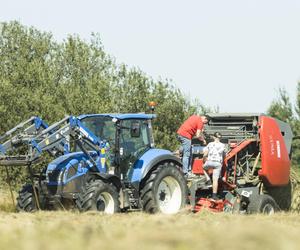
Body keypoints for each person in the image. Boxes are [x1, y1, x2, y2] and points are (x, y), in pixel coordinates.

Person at [203, 132, 226, 200]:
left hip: (210, 162)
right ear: (220, 138)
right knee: (215, 180)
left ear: (214, 137)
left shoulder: (210, 144)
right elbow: (224, 155)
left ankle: (208, 179)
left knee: (203, 167)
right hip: (218, 164)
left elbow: (205, 154)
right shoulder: (223, 145)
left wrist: (204, 159)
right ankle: (214, 196)